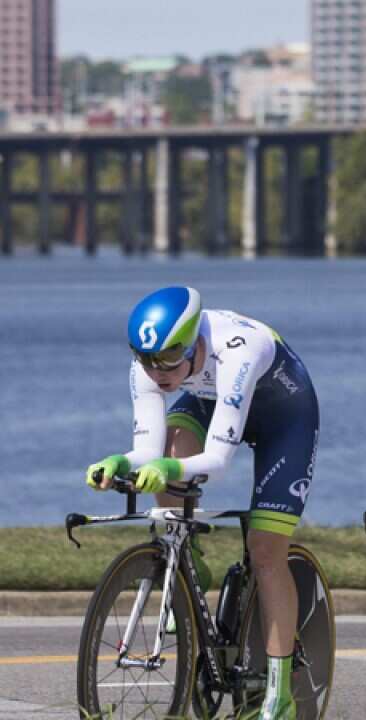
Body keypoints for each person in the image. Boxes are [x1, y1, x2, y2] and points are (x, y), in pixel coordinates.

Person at [86, 286, 319, 720]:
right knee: (172, 447)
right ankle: (186, 560)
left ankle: (281, 693)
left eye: (170, 360)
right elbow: (146, 449)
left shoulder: (239, 352)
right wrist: (118, 461)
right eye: (147, 360)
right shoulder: (151, 367)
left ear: (195, 343)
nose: (158, 373)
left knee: (266, 552)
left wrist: (169, 471)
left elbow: (215, 463)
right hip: (213, 403)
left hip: (284, 415)